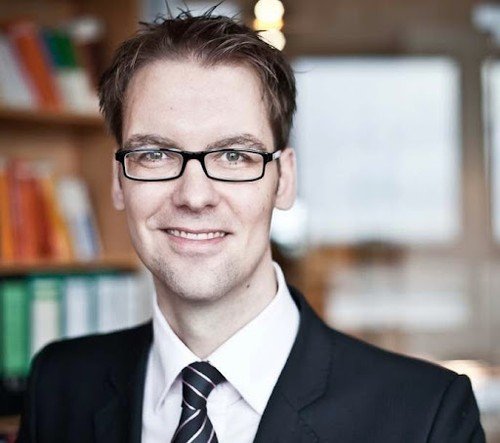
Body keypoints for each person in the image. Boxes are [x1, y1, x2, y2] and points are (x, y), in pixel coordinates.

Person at [17, 10, 485, 443]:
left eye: (233, 155)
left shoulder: (425, 416)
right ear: (119, 181)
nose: (194, 196)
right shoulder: (59, 384)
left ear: (284, 180)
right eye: (155, 154)